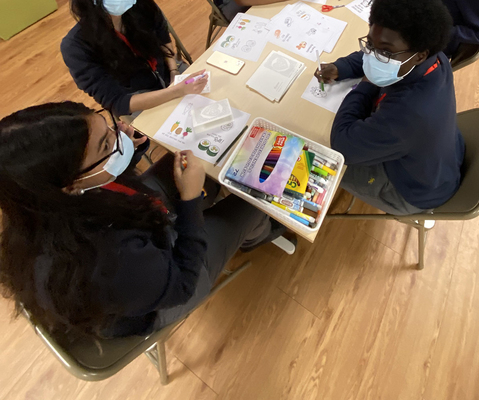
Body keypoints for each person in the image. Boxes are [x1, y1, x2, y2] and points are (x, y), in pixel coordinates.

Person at [0, 102, 276, 339]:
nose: (118, 134)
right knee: (252, 203)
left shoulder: (38, 206)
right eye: (106, 144)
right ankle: (256, 235)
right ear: (69, 185)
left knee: (198, 166)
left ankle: (218, 212)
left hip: (137, 230)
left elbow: (105, 182)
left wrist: (130, 152)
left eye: (109, 127)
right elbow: (182, 285)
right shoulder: (105, 261)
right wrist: (190, 201)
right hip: (168, 289)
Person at [318, 0, 464, 215]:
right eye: (370, 43)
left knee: (319, 156)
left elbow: (342, 144)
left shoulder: (410, 114)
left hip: (411, 191)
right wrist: (343, 67)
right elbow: (379, 50)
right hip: (434, 160)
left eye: (385, 53)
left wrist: (365, 84)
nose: (373, 55)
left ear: (420, 55)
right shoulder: (436, 58)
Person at [61, 0, 208, 118]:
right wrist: (175, 91)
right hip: (138, 98)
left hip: (170, 75)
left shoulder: (142, 8)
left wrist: (174, 73)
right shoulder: (75, 46)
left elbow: (163, 38)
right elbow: (118, 102)